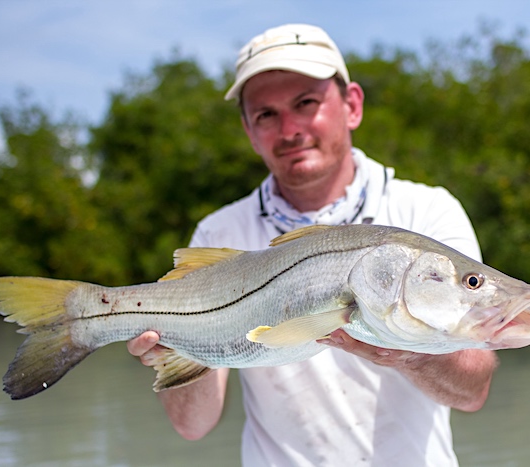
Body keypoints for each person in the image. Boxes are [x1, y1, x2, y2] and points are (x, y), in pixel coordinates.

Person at [128, 23, 497, 466]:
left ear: (352, 105)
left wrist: (405, 352)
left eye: (306, 103)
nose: (289, 129)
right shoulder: (218, 233)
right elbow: (193, 424)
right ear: (248, 130)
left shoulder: (426, 212)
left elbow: (473, 390)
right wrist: (179, 345)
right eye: (266, 114)